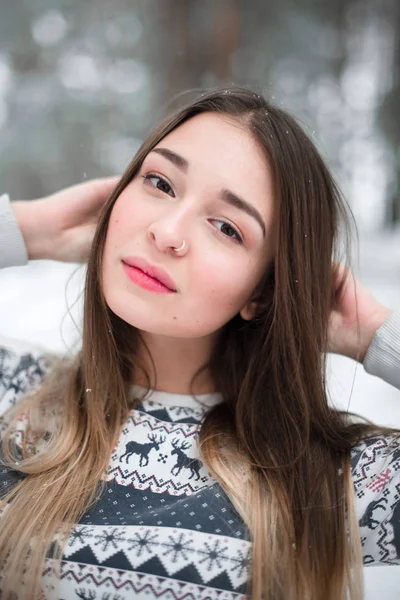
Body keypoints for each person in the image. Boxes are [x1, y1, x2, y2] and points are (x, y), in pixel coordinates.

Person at [0, 87, 399, 600]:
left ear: (263, 290)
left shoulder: (328, 480)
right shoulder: (14, 395)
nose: (167, 231)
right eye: (160, 183)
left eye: (226, 227)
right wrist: (24, 229)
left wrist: (374, 335)